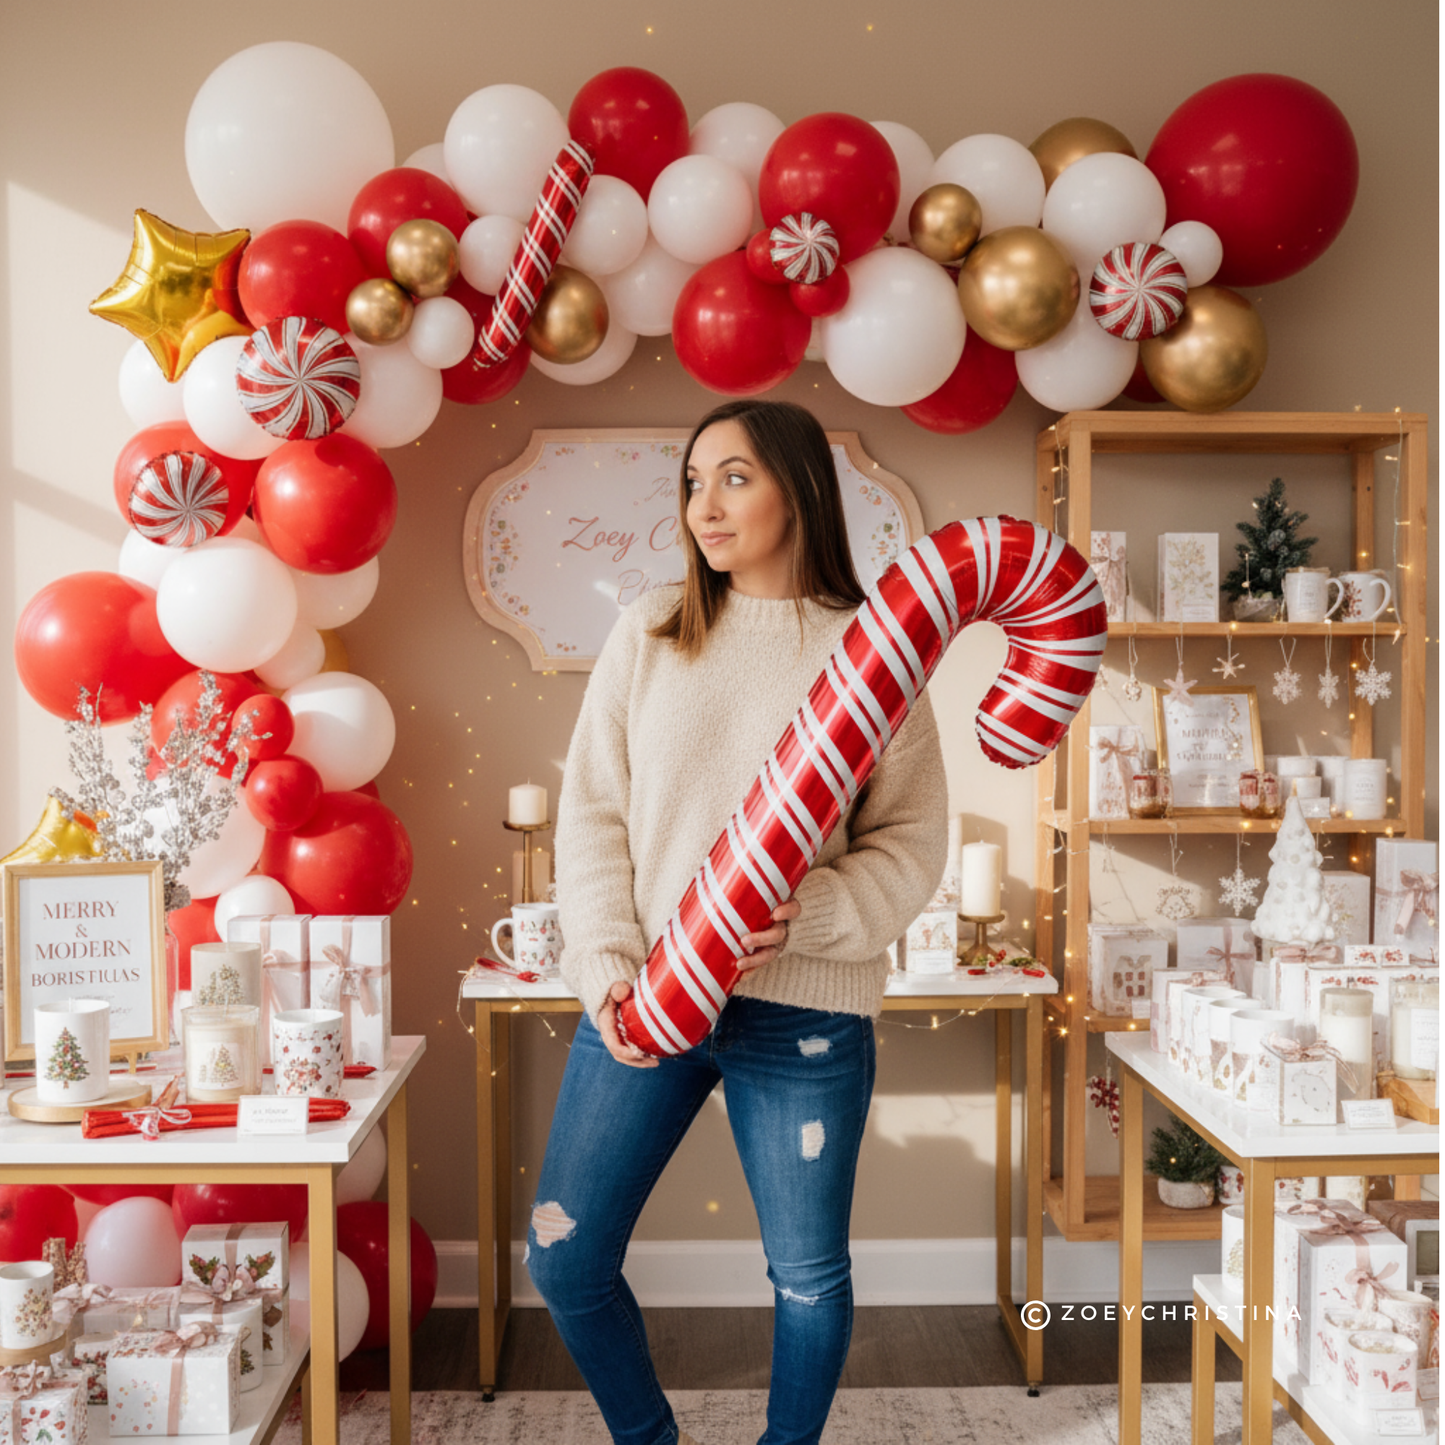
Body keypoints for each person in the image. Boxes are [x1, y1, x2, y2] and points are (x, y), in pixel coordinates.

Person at [527, 398, 948, 1445]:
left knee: (805, 1276)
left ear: (798, 488)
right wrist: (607, 964)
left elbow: (909, 841)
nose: (702, 506)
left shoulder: (872, 654)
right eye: (691, 480)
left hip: (801, 1012)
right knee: (563, 1254)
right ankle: (647, 1437)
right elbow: (591, 811)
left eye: (733, 478)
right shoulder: (650, 629)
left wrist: (811, 910)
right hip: (649, 995)